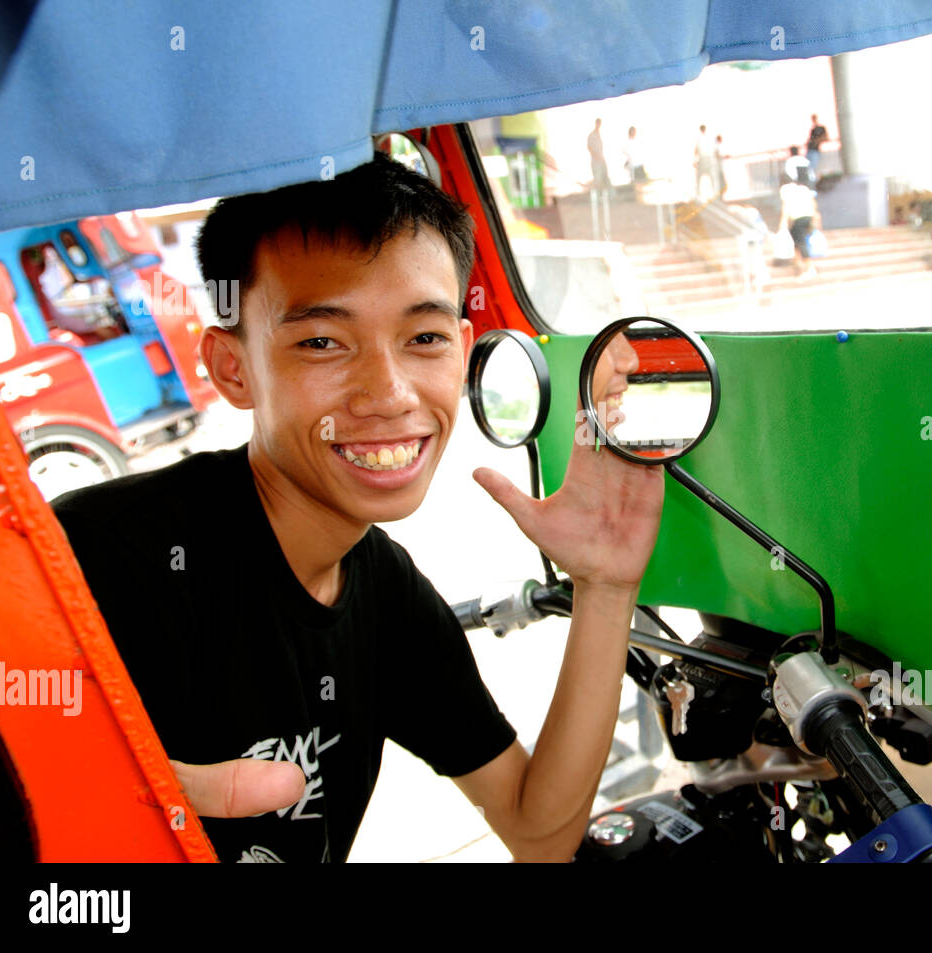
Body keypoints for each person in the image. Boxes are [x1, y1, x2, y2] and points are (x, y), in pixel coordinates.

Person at [50, 155, 665, 863]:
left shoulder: (385, 594)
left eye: (424, 337)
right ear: (233, 368)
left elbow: (540, 831)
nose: (391, 392)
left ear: (461, 352)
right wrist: (95, 815)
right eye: (321, 342)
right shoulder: (99, 560)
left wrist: (606, 586)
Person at [777, 170, 820, 279]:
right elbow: (813, 202)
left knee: (800, 242)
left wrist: (783, 220)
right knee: (797, 239)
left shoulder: (785, 189)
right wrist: (815, 216)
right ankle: (798, 262)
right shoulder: (802, 188)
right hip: (808, 216)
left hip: (798, 217)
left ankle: (810, 268)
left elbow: (785, 206)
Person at [587, 117, 611, 192]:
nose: (599, 125)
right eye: (598, 123)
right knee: (597, 180)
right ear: (596, 123)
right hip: (595, 161)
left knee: (606, 178)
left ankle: (609, 196)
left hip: (601, 159)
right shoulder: (591, 135)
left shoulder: (599, 134)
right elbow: (589, 147)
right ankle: (596, 196)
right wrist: (595, 156)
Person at [694, 124, 717, 201]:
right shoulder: (705, 138)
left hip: (705, 160)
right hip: (706, 159)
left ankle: (700, 195)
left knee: (702, 178)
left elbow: (696, 151)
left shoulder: (700, 138)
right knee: (710, 178)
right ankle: (712, 194)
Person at [622, 126, 647, 190]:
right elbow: (626, 153)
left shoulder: (636, 142)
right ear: (630, 132)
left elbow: (639, 154)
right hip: (634, 167)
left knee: (642, 183)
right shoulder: (628, 142)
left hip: (638, 166)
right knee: (636, 184)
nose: (634, 133)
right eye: (632, 132)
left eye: (634, 132)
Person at [713, 134, 728, 201]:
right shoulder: (716, 147)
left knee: (722, 184)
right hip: (718, 168)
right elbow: (717, 155)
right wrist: (724, 157)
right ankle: (720, 197)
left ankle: (720, 197)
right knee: (722, 183)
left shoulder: (717, 146)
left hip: (719, 168)